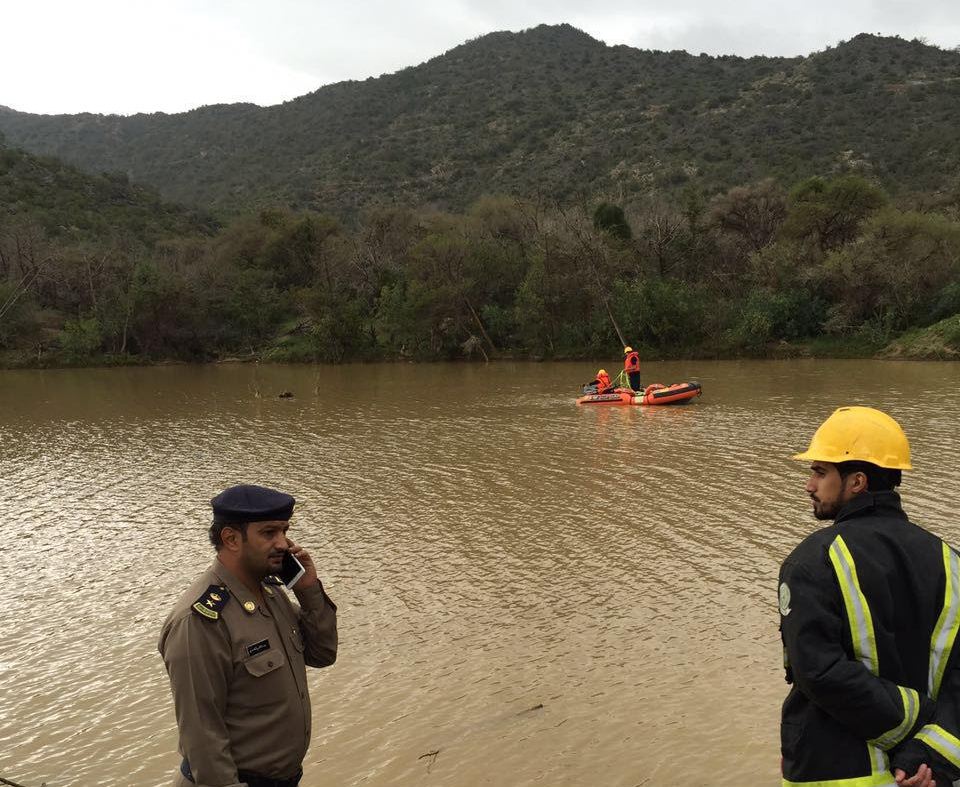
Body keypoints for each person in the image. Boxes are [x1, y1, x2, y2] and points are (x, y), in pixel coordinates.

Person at [779, 406, 960, 787]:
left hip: (836, 772)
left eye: (820, 471)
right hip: (929, 773)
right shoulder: (950, 561)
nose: (809, 485)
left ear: (857, 482)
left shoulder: (812, 562)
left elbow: (819, 672)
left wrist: (913, 723)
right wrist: (930, 756)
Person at [159, 484, 338, 787]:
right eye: (269, 533)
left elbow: (322, 654)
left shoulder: (270, 593)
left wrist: (308, 590)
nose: (283, 543)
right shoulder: (199, 622)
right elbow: (202, 737)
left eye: (284, 531)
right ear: (231, 539)